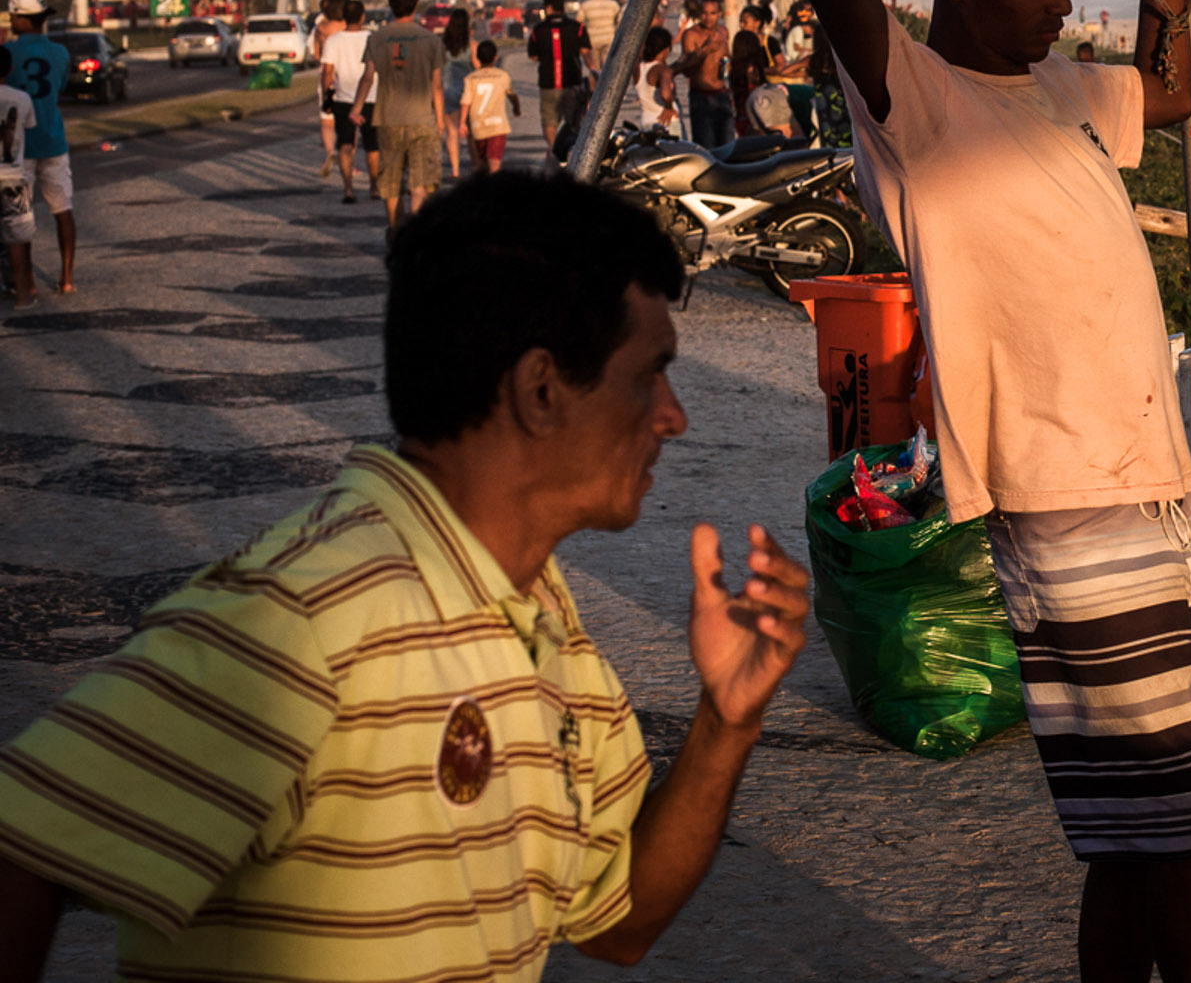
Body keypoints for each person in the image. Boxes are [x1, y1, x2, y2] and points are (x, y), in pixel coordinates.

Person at [721, 0, 1191, 983]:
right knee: (1169, 852)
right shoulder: (916, 99)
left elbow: (1169, 88)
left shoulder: (1065, 89)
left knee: (1175, 840)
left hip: (1161, 489)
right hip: (1066, 508)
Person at [0, 171, 811, 980]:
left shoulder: (550, 634)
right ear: (539, 390)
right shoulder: (306, 616)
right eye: (647, 376)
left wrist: (725, 722)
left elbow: (617, 926)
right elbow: (24, 842)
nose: (674, 415)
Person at [361, 0, 445, 232]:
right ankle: (416, 233)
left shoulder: (377, 38)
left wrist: (356, 108)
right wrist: (440, 121)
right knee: (420, 183)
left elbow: (367, 77)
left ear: (390, 3)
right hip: (422, 119)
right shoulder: (431, 40)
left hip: (388, 118)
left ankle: (396, 231)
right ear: (417, 2)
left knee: (391, 183)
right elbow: (437, 86)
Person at [3, 0, 75, 295]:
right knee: (63, 209)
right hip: (54, 139)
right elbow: (59, 86)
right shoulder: (60, 53)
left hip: (19, 146)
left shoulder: (7, 52)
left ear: (20, 18)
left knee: (20, 216)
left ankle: (27, 282)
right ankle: (67, 277)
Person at [322, 0, 374, 205]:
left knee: (345, 144)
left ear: (344, 17)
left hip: (343, 99)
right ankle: (375, 186)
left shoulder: (334, 41)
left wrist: (326, 95)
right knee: (373, 146)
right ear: (363, 17)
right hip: (371, 97)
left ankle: (348, 189)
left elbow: (327, 72)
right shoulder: (372, 38)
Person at [527, 0, 593, 154]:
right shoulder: (577, 28)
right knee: (573, 121)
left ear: (549, 8)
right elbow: (585, 52)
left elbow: (533, 56)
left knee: (549, 121)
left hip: (548, 82)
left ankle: (554, 148)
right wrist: (593, 71)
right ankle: (571, 151)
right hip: (572, 81)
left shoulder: (538, 30)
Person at [0, 45, 35, 307]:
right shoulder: (22, 99)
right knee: (17, 239)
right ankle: (23, 295)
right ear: (10, 70)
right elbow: (28, 127)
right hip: (13, 176)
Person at [678, 0, 734, 151]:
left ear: (719, 14)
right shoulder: (691, 35)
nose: (708, 18)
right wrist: (705, 50)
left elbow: (728, 58)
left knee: (728, 146)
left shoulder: (723, 32)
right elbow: (687, 69)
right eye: (704, 13)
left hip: (722, 94)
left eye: (713, 13)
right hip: (701, 97)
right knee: (706, 148)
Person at [462, 40, 521, 174]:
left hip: (478, 126)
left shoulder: (471, 78)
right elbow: (512, 95)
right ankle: (493, 188)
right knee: (494, 161)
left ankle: (485, 188)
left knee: (481, 163)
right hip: (497, 126)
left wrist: (462, 122)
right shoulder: (503, 76)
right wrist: (516, 108)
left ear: (477, 57)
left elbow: (466, 102)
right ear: (495, 57)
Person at [309, 0, 350, 176]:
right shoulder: (348, 26)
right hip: (347, 75)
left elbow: (316, 55)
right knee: (348, 121)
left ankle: (329, 152)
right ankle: (348, 159)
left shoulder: (322, 28)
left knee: (327, 120)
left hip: (327, 75)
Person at [440, 5, 476, 179]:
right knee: (471, 132)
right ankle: (476, 166)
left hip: (447, 90)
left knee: (452, 132)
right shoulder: (471, 45)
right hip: (467, 92)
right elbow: (477, 67)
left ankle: (455, 170)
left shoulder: (442, 44)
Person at [729, 4, 772, 136]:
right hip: (757, 116)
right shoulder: (753, 69)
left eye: (744, 22)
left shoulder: (735, 68)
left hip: (741, 116)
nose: (742, 25)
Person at [634, 25, 677, 131]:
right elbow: (665, 94)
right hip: (666, 123)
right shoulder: (662, 70)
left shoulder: (638, 68)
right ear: (667, 49)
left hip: (646, 121)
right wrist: (668, 107)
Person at [581, 0, 623, 65]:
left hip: (592, 40)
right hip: (609, 39)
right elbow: (619, 23)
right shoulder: (613, 4)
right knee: (607, 67)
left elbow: (579, 22)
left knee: (595, 68)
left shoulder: (586, 5)